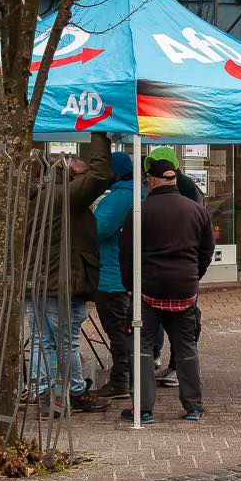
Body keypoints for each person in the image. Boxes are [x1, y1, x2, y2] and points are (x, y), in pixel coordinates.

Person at [25, 133, 116, 415]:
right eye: (80, 173)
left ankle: (45, 392)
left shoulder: (32, 196)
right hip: (60, 281)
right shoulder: (64, 197)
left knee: (43, 340)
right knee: (65, 341)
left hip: (34, 283)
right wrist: (101, 133)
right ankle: (73, 391)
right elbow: (101, 174)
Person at [120, 158, 214, 425]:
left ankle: (143, 409)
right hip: (184, 290)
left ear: (151, 180)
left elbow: (127, 254)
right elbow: (206, 252)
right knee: (186, 347)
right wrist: (194, 276)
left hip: (149, 290)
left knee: (142, 348)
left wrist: (130, 286)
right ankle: (193, 407)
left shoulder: (140, 211)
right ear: (174, 179)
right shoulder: (197, 211)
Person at [142, 147, 205, 388]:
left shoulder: (182, 190)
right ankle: (181, 378)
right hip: (184, 273)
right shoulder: (187, 188)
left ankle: (176, 369)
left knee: (183, 330)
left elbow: (202, 241)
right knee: (183, 329)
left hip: (173, 272)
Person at [90, 150, 141, 402]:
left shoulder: (120, 197)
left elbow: (98, 229)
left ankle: (121, 380)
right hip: (129, 274)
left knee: (118, 330)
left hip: (112, 275)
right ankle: (130, 376)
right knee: (128, 328)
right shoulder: (139, 192)